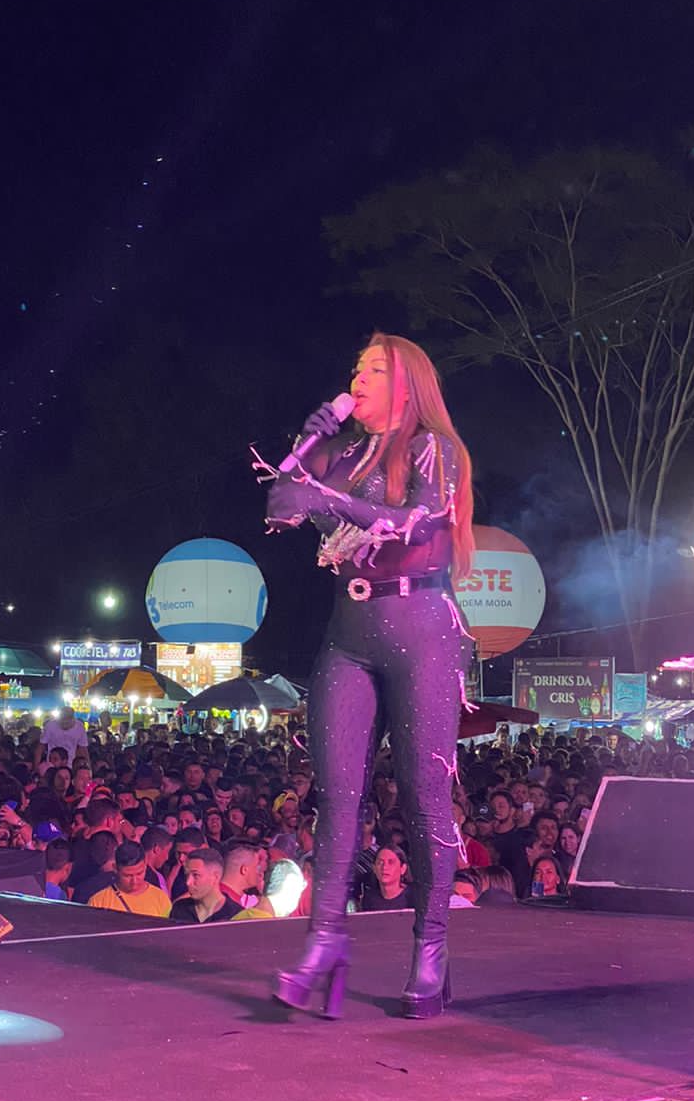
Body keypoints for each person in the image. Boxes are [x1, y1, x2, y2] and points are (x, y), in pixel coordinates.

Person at [261, 333, 475, 1019]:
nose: (358, 378)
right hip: (348, 634)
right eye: (356, 367)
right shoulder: (341, 454)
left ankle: (431, 948)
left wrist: (329, 499)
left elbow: (416, 522)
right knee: (336, 797)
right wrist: (305, 447)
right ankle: (324, 941)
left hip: (423, 632)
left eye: (375, 369)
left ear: (407, 385)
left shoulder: (432, 448)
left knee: (424, 797)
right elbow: (280, 509)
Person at [88, 842, 172, 918]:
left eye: (139, 873)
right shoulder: (98, 902)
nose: (134, 881)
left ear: (145, 865)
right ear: (115, 869)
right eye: (127, 876)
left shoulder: (160, 898)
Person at [168, 848, 236, 924]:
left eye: (196, 875)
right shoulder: (179, 909)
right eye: (186, 875)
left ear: (216, 877)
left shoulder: (235, 915)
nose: (188, 882)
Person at [359, 845, 412, 911]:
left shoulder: (413, 898)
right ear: (374, 868)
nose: (384, 867)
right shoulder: (369, 899)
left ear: (403, 868)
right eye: (380, 863)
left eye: (391, 862)